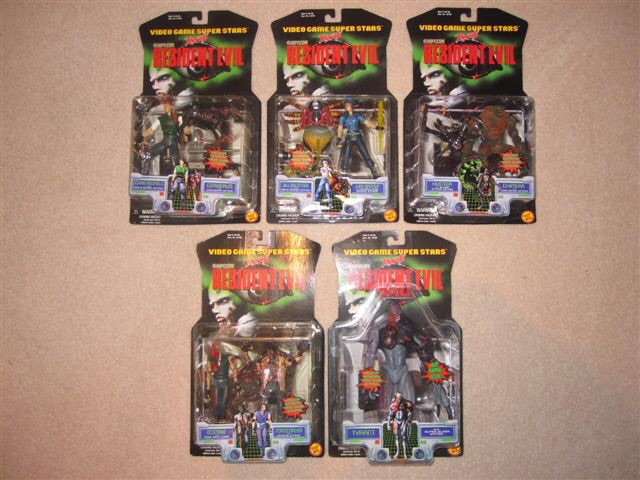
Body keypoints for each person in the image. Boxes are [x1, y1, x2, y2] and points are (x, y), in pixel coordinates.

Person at [336, 98, 381, 177]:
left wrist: (376, 127)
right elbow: (340, 128)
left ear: (352, 106)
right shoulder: (343, 117)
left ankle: (373, 170)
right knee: (345, 155)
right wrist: (339, 138)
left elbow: (367, 123)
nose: (347, 106)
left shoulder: (357, 116)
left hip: (357, 137)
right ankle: (344, 172)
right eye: (346, 105)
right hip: (348, 137)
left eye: (348, 105)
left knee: (365, 153)